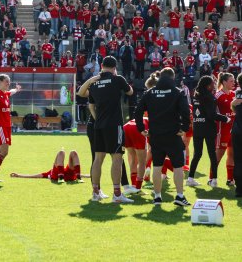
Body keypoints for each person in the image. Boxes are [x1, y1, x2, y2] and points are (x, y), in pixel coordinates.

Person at [134, 68, 191, 206]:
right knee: (178, 166)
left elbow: (138, 111)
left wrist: (141, 128)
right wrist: (184, 128)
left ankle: (157, 197)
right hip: (173, 134)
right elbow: (185, 111)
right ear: (172, 78)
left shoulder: (150, 92)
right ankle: (179, 196)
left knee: (157, 166)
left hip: (156, 135)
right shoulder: (177, 92)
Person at [87, 56, 134, 203]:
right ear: (115, 67)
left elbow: (91, 104)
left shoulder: (94, 83)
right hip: (114, 125)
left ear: (101, 65)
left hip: (98, 125)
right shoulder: (117, 79)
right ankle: (117, 194)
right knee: (117, 158)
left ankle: (95, 192)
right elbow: (130, 92)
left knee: (98, 159)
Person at [187, 76, 229, 187]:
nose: (214, 85)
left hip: (197, 128)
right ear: (207, 85)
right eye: (212, 84)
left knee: (197, 154)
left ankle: (190, 178)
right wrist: (225, 118)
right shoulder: (209, 97)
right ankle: (214, 180)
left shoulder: (196, 95)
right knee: (212, 154)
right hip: (208, 129)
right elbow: (211, 115)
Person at [212, 73, 236, 187]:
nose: (234, 82)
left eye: (234, 80)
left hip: (234, 130)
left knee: (232, 154)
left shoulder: (234, 95)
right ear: (224, 82)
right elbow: (212, 112)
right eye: (231, 81)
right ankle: (211, 178)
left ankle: (230, 179)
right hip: (222, 130)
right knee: (218, 156)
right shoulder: (218, 95)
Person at [10, 149, 88, 183]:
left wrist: (90, 176)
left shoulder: (51, 172)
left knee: (72, 152)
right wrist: (19, 175)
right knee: (62, 152)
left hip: (66, 175)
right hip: (62, 175)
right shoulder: (49, 173)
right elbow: (35, 175)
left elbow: (36, 175)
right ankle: (63, 177)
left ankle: (77, 177)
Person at [231, 73, 242, 197]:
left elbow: (234, 108)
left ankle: (239, 189)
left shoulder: (238, 93)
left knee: (238, 159)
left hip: (237, 128)